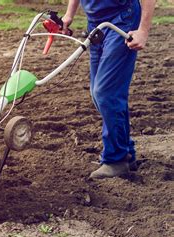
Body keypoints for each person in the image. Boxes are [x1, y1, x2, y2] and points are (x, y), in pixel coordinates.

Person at [61, 0, 156, 179]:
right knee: (99, 94)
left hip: (122, 18)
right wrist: (69, 15)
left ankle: (115, 160)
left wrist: (143, 30)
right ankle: (125, 152)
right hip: (96, 23)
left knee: (106, 93)